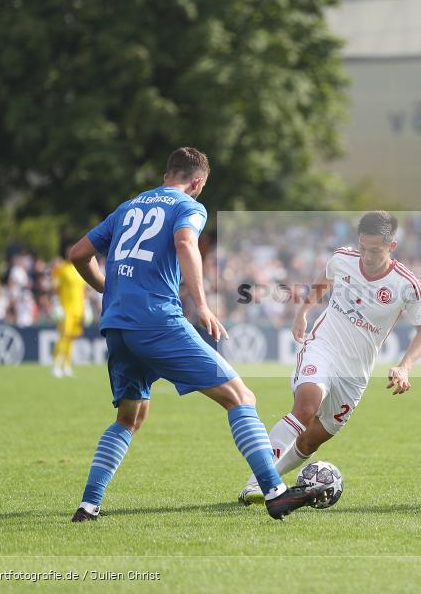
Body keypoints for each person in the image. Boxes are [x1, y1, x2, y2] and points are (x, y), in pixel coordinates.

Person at [68, 147, 319, 521]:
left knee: (130, 417)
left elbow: (77, 253)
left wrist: (108, 288)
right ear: (197, 181)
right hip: (156, 320)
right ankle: (275, 491)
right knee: (240, 396)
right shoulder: (188, 206)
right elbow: (186, 243)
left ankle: (88, 505)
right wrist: (201, 305)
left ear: (168, 172)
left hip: (117, 325)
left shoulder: (128, 207)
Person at [238, 211, 421, 505]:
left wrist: (405, 367)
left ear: (391, 246)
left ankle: (270, 479)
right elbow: (322, 282)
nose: (366, 256)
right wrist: (302, 312)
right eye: (363, 247)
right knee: (305, 407)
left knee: (310, 439)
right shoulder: (343, 258)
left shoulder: (407, 284)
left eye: (375, 250)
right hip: (323, 346)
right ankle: (259, 483)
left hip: (355, 372)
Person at [51, 245, 87, 377]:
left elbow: (83, 291)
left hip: (78, 308)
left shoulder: (79, 269)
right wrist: (56, 304)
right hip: (66, 308)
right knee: (63, 336)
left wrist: (85, 307)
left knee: (71, 338)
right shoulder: (61, 269)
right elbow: (55, 287)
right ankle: (56, 364)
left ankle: (66, 364)